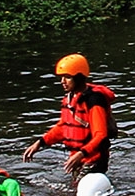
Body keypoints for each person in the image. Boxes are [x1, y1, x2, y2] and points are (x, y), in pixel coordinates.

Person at [24, 53, 115, 184]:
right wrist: (40, 143)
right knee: (75, 193)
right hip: (78, 158)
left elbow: (100, 135)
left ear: (79, 77)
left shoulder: (94, 101)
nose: (62, 81)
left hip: (93, 160)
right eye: (62, 77)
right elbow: (63, 127)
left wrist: (81, 154)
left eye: (67, 77)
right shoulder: (69, 99)